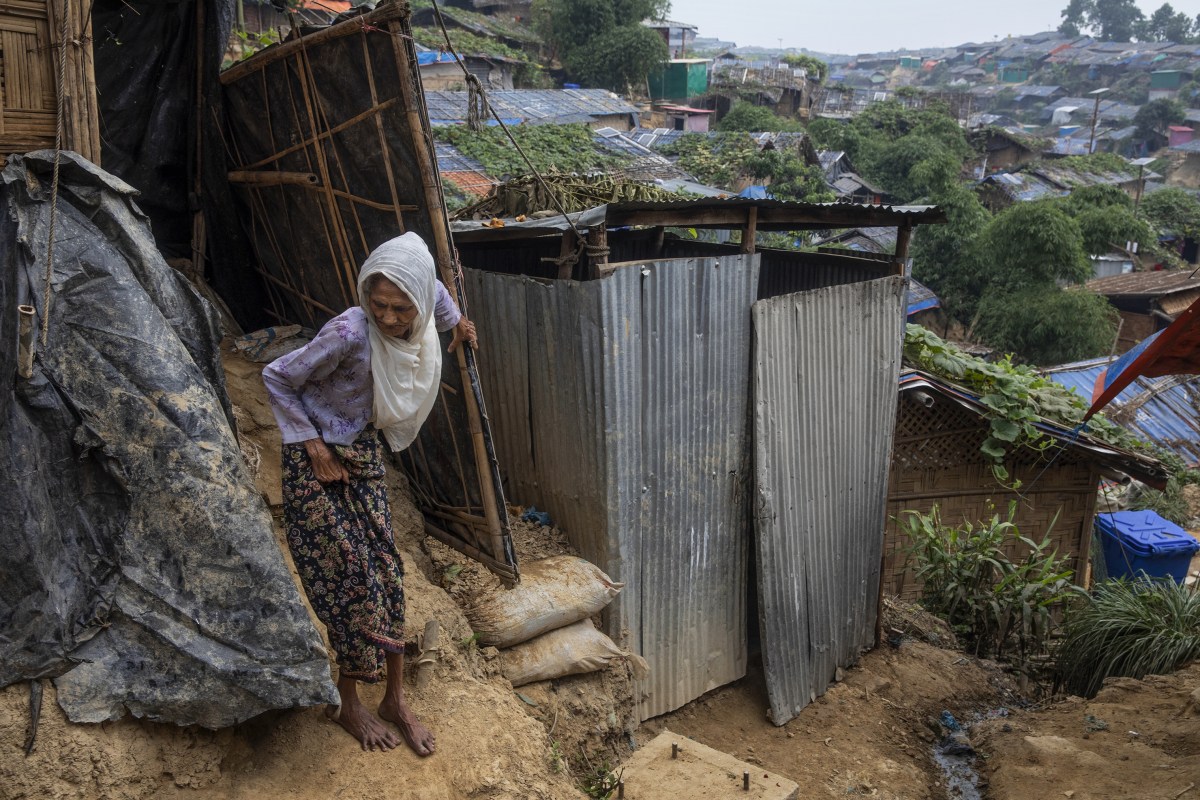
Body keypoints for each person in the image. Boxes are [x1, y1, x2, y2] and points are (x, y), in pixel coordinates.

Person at [262, 232, 476, 754]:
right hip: (315, 459)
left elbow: (441, 301)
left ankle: (395, 700)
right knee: (351, 576)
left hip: (361, 452)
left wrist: (460, 327)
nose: (389, 319)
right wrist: (313, 446)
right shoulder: (347, 333)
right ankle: (348, 699)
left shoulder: (424, 307)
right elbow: (276, 376)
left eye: (401, 309)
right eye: (378, 304)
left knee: (388, 569)